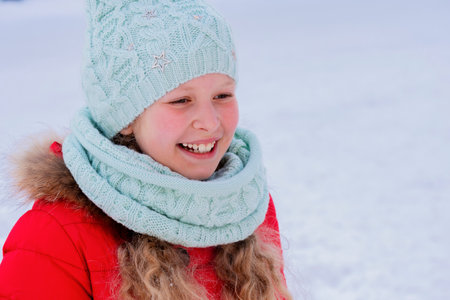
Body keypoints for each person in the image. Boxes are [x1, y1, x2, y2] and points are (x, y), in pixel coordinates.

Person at [0, 0, 292, 299]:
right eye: (181, 100)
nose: (209, 122)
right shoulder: (55, 238)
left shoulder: (244, 205)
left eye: (222, 95)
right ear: (127, 117)